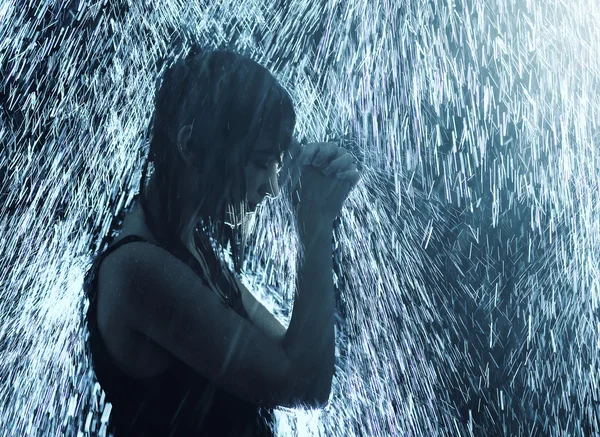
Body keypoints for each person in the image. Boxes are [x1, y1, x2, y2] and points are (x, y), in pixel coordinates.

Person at [83, 46, 360, 436]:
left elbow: (290, 348)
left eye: (277, 163)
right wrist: (314, 225)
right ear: (191, 145)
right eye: (260, 162)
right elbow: (304, 384)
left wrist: (314, 207)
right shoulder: (139, 271)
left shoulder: (190, 242)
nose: (273, 187)